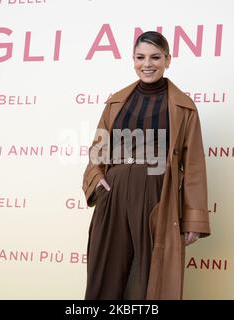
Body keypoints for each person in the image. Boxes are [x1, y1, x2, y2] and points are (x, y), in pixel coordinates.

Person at [82, 31, 210, 300]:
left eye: (155, 57)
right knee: (104, 274)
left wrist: (194, 218)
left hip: (156, 193)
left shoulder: (183, 107)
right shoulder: (116, 100)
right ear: (133, 60)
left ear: (168, 60)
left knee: (148, 278)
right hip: (113, 192)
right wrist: (99, 181)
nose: (147, 64)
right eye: (140, 57)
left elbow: (194, 165)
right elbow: (98, 148)